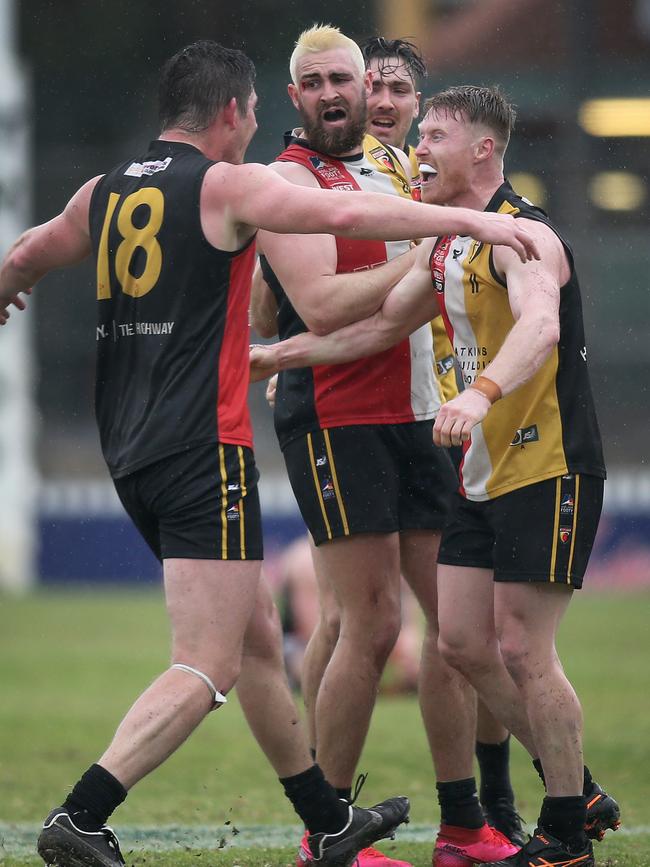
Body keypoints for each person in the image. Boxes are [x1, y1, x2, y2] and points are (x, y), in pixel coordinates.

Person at [0, 43, 538, 867]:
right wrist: (466, 219)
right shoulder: (226, 183)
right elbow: (351, 219)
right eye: (252, 110)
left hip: (131, 450)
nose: (255, 125)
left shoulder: (102, 191)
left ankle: (326, 822)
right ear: (229, 113)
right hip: (202, 449)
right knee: (210, 663)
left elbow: (27, 253)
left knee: (255, 642)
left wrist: (5, 290)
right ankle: (83, 811)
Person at [250, 84, 621, 867]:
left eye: (437, 137)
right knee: (461, 641)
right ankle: (576, 787)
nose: (419, 150)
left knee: (523, 646)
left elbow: (543, 328)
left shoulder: (526, 238)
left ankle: (563, 834)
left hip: (547, 464)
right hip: (483, 476)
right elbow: (382, 324)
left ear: (483, 149)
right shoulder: (453, 244)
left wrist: (480, 393)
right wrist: (274, 356)